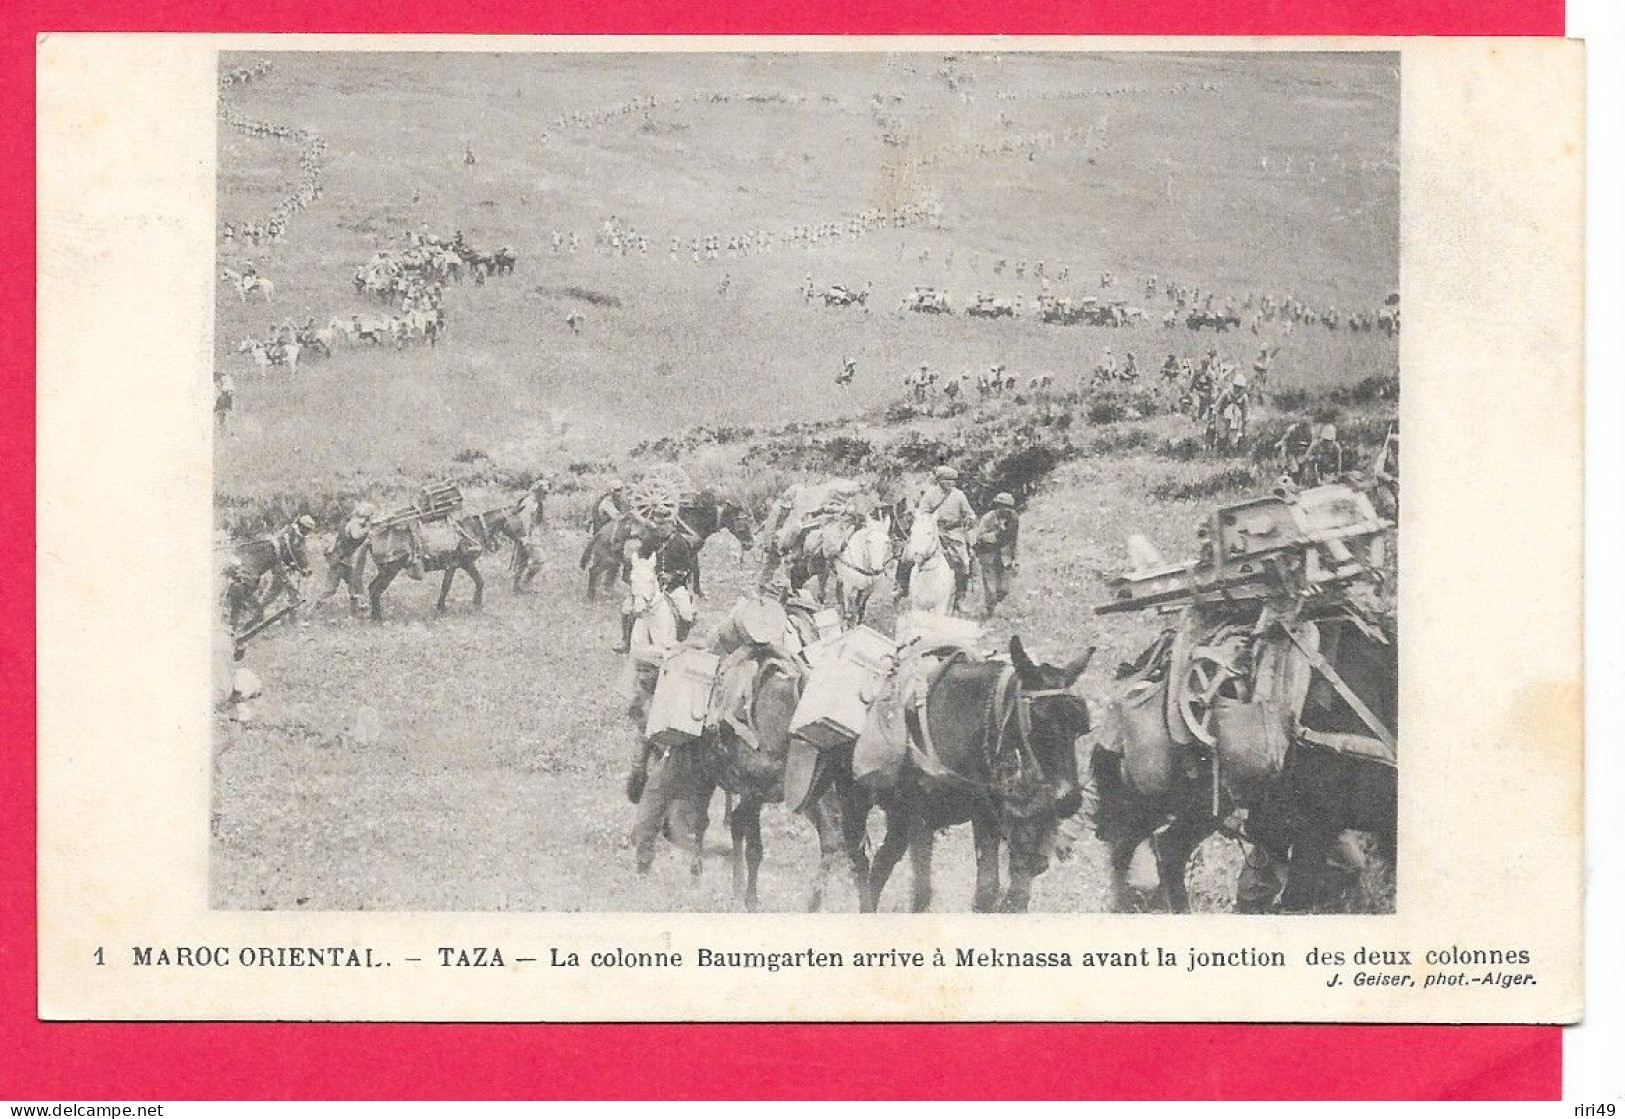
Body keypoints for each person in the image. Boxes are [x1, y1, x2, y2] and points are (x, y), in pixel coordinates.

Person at [915, 464, 976, 609]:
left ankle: (960, 597)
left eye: (953, 480)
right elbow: (922, 512)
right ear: (939, 480)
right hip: (932, 531)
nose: (950, 483)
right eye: (946, 480)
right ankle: (902, 585)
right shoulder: (930, 494)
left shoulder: (959, 495)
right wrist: (928, 521)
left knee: (964, 562)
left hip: (953, 534)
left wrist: (970, 519)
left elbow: (969, 512)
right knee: (908, 555)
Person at [315, 502, 375, 612]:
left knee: (354, 586)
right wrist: (368, 529)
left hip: (345, 561)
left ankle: (355, 611)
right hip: (340, 560)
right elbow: (355, 535)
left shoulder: (351, 521)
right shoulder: (356, 523)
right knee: (331, 589)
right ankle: (315, 609)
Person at [973, 492, 1021, 618]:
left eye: (1008, 507)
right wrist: (996, 535)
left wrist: (1016, 559)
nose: (1006, 509)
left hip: (1004, 556)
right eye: (1003, 506)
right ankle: (990, 613)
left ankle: (994, 604)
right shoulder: (988, 518)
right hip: (988, 554)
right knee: (990, 588)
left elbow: (1014, 540)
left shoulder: (1014, 518)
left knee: (1004, 589)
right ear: (997, 505)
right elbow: (979, 536)